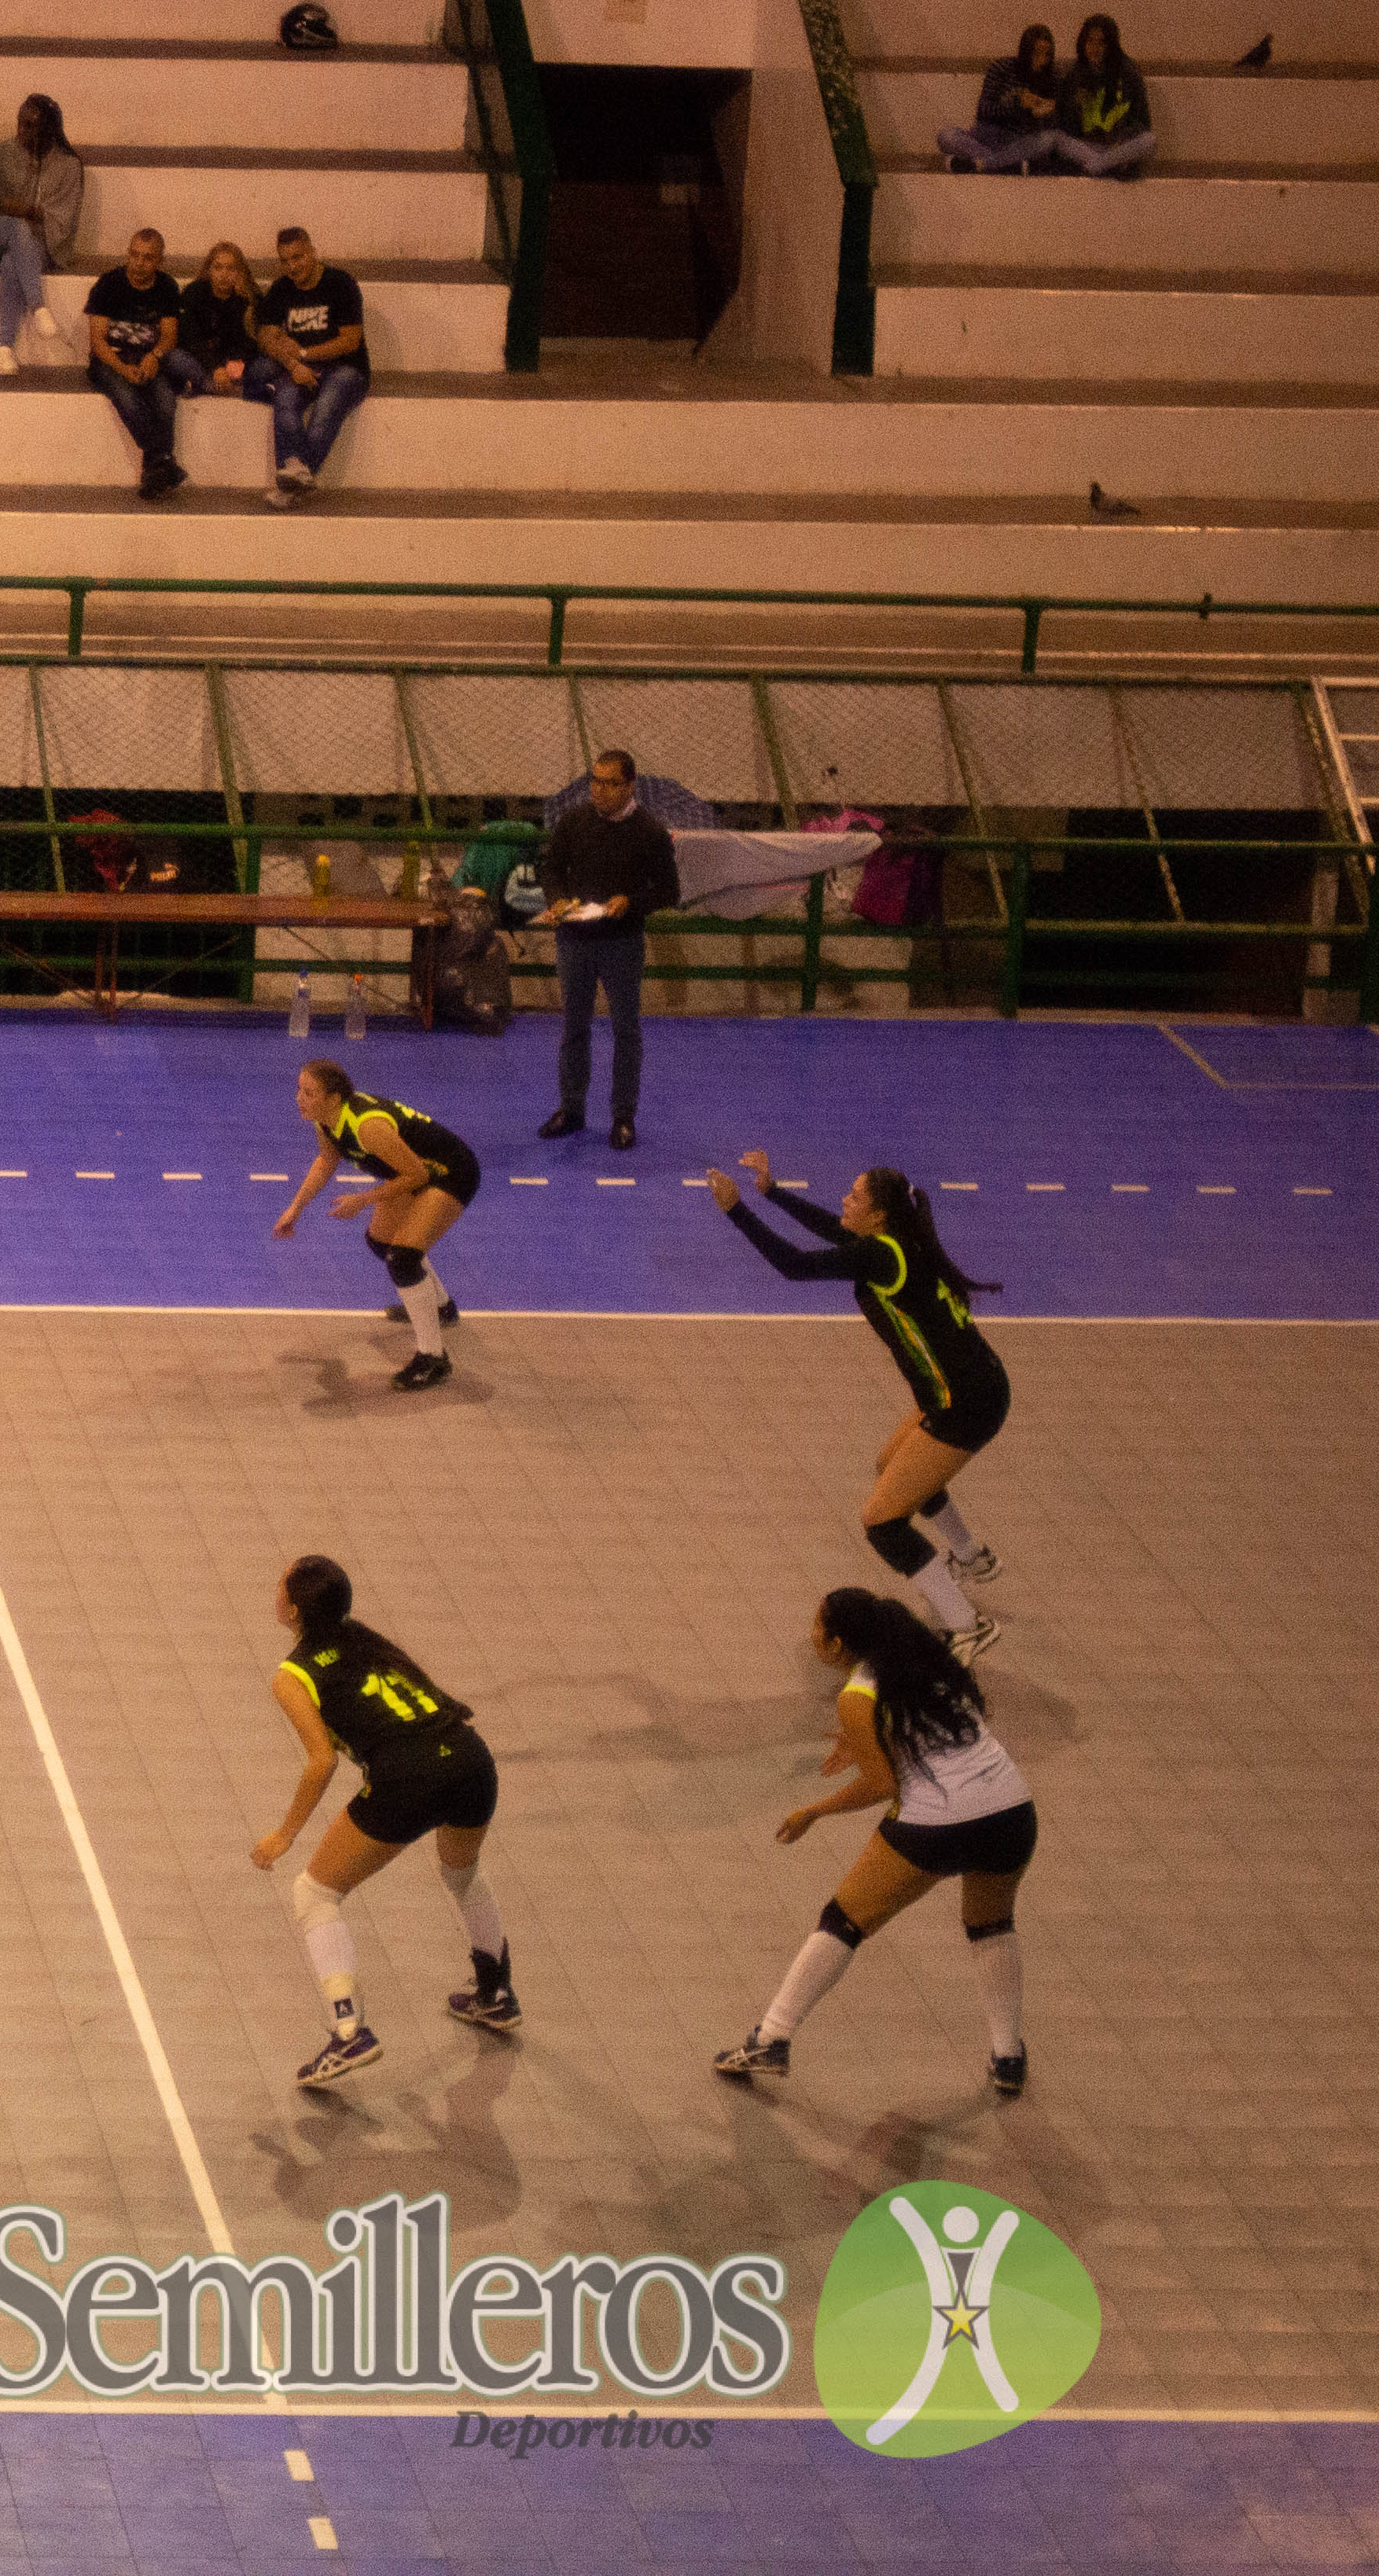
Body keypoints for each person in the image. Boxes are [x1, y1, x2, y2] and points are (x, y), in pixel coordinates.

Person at [715, 1589, 1035, 2098]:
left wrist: (814, 1811)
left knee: (844, 1919)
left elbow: (882, 1785)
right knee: (991, 1924)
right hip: (1011, 1811)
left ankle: (771, 2038)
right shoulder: (924, 1656)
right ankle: (1008, 2055)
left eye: (817, 1629)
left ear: (840, 1644)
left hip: (937, 1822)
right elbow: (924, 1727)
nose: (811, 1637)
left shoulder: (856, 1695)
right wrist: (860, 1738)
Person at [701, 1151, 1011, 1659]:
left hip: (965, 1404)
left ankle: (967, 1626)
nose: (845, 1199)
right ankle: (970, 1556)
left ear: (880, 1214)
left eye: (856, 1196)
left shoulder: (882, 1256)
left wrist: (737, 1211)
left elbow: (797, 1266)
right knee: (892, 1467)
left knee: (883, 1522)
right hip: (965, 1389)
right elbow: (835, 1231)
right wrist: (772, 1192)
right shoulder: (892, 1245)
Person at [249, 1554, 515, 2091]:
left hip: (409, 1779)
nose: (274, 1588)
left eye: (280, 1585)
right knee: (463, 1876)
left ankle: (347, 2031)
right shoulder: (365, 1637)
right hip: (469, 1759)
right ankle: (495, 1994)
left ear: (294, 1610)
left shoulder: (292, 1676)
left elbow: (320, 1761)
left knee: (314, 1894)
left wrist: (285, 1834)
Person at [272, 1060, 474, 1390]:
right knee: (382, 1242)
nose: (299, 1098)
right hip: (412, 1172)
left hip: (450, 1173)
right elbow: (326, 1161)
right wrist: (295, 1209)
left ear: (334, 1098)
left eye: (309, 1093)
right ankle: (440, 1307)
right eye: (299, 1090)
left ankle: (433, 1357)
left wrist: (363, 1199)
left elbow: (419, 1176)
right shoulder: (325, 1120)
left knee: (404, 1258)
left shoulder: (368, 1127)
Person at [533, 749, 677, 1148]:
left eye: (609, 783)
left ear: (629, 785)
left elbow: (669, 891)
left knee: (625, 1031)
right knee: (573, 1029)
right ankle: (572, 1110)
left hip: (621, 943)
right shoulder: (573, 822)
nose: (599, 790)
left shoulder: (650, 832)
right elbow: (550, 868)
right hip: (575, 941)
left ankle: (623, 1117)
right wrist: (558, 899)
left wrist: (631, 901)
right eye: (594, 780)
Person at [249, 226, 370, 508]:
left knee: (328, 404)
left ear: (313, 252)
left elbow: (351, 341)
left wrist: (303, 352)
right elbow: (267, 337)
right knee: (286, 397)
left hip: (346, 368)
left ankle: (291, 484)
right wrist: (292, 363)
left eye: (298, 257)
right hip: (300, 368)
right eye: (285, 260)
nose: (292, 266)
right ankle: (295, 478)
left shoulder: (340, 283)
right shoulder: (281, 288)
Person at [0, 94, 83, 374]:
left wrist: (28, 211)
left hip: (40, 243)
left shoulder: (69, 165)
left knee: (12, 261)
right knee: (19, 229)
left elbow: (64, 221)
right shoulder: (5, 153)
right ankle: (38, 305)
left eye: (31, 126)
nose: (23, 131)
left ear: (50, 129)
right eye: (21, 124)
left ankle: (5, 349)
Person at [84, 226, 191, 499]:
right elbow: (97, 341)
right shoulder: (109, 283)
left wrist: (154, 357)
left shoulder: (167, 287)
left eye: (147, 258)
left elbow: (169, 335)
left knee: (166, 398)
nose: (139, 263)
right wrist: (122, 368)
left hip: (148, 357)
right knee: (126, 395)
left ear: (159, 261)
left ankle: (155, 472)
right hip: (111, 359)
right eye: (134, 255)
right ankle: (163, 460)